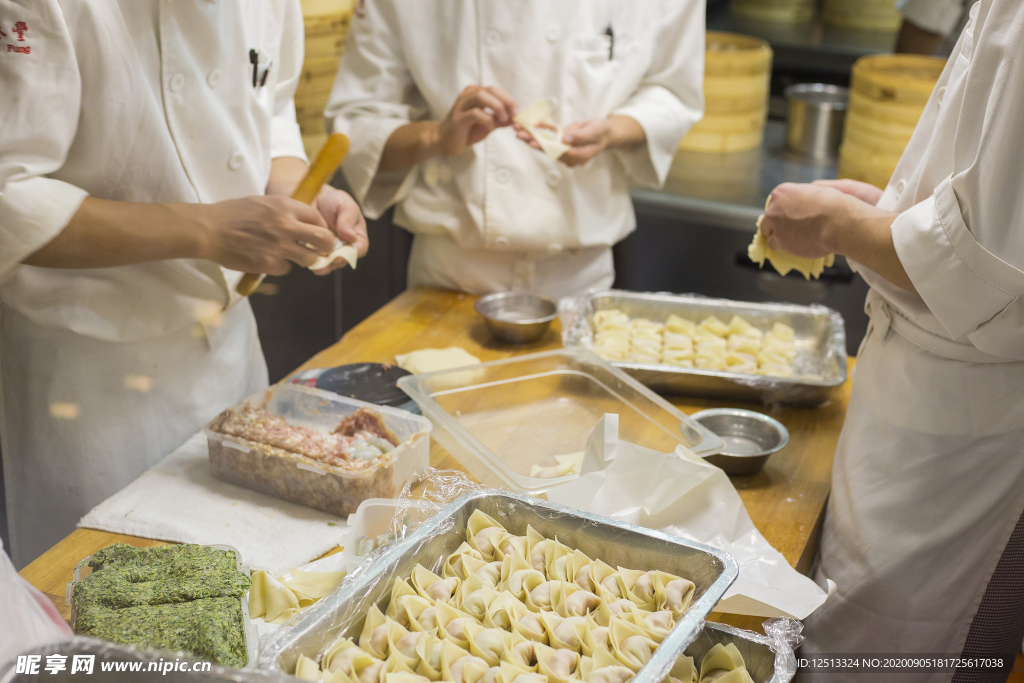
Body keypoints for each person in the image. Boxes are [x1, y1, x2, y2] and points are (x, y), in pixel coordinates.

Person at [0, 0, 368, 568]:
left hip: (227, 351)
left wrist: (299, 191)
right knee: (103, 613)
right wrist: (204, 228)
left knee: (253, 588)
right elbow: (10, 197)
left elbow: (267, 107)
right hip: (89, 374)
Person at [758, 1, 1024, 677]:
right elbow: (984, 212)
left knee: (884, 658)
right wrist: (886, 211)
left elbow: (978, 268)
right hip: (926, 397)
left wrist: (840, 224)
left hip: (956, 429)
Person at [325, 0, 705, 300]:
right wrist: (437, 136)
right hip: (451, 275)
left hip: (581, 277)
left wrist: (612, 132)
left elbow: (672, 90)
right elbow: (356, 123)